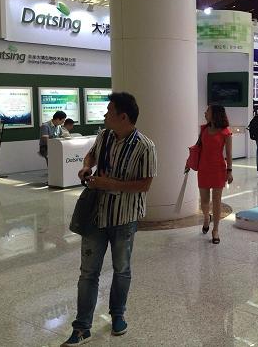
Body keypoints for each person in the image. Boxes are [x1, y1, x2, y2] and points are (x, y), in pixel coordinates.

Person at [63, 92, 156, 346]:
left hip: (124, 218)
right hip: (96, 215)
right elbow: (91, 155)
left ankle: (118, 315)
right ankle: (82, 327)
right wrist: (86, 166)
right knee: (88, 273)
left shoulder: (145, 146)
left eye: (109, 111)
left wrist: (109, 184)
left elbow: (145, 185)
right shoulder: (104, 136)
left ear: (123, 116)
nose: (104, 115)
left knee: (121, 269)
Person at [196, 104, 233, 244]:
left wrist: (229, 171)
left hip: (218, 169)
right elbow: (198, 147)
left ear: (215, 114)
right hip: (203, 168)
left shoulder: (225, 132)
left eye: (207, 111)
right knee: (204, 200)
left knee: (217, 200)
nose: (205, 113)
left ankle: (215, 230)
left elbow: (229, 153)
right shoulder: (204, 129)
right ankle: (207, 217)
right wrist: (190, 162)